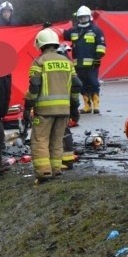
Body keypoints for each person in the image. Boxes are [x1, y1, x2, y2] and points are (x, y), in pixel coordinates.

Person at [24, 28, 82, 181]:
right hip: (64, 110)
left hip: (44, 110)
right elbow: (76, 85)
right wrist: (74, 106)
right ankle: (56, 169)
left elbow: (34, 86)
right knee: (57, 139)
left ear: (40, 45)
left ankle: (44, 172)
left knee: (40, 140)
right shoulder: (67, 62)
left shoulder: (39, 61)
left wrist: (27, 107)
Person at [63, 6, 106, 114]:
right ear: (78, 18)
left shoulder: (96, 30)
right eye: (81, 17)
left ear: (89, 17)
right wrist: (50, 28)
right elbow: (63, 34)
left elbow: (101, 45)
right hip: (78, 64)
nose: (83, 19)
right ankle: (87, 106)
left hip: (92, 64)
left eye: (85, 17)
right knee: (81, 85)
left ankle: (96, 105)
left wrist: (98, 57)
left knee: (93, 83)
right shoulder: (73, 30)